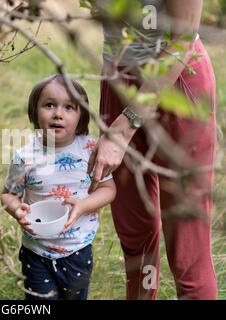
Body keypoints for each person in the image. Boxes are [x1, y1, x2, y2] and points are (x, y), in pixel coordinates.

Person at [89, 0, 218, 299]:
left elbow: (182, 40)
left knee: (188, 251)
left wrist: (124, 127)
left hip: (176, 82)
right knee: (136, 239)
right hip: (118, 80)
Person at [0, 74, 116, 300]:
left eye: (69, 107)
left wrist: (84, 205)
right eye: (49, 105)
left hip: (78, 249)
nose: (58, 114)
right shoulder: (25, 157)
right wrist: (16, 210)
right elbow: (8, 195)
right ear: (35, 111)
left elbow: (109, 189)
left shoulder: (90, 150)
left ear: (81, 116)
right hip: (36, 251)